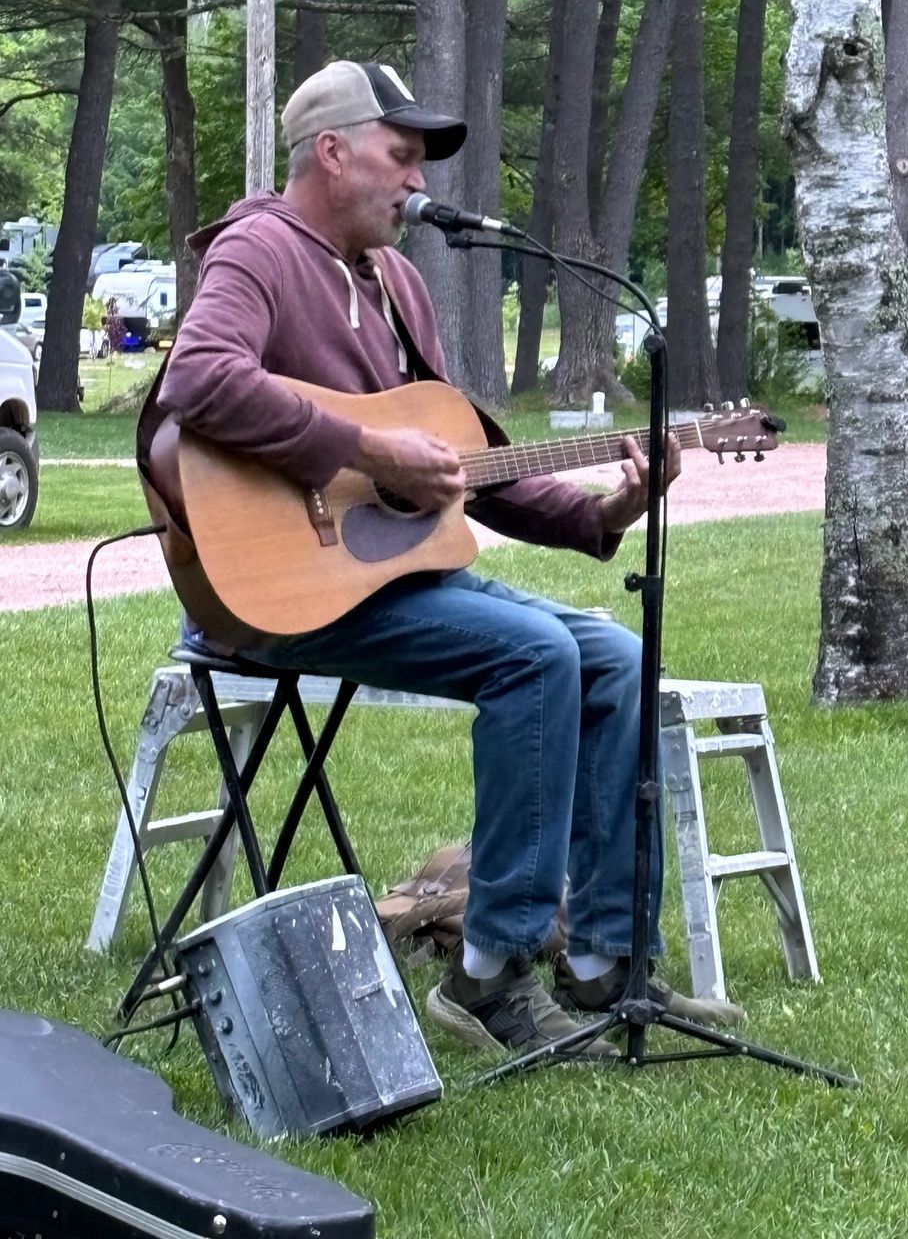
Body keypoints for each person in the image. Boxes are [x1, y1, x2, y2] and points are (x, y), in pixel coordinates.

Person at [147, 59, 741, 1055]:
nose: (418, 182)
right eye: (402, 156)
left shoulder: (399, 285)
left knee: (615, 655)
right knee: (535, 656)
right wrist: (365, 450)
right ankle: (488, 975)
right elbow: (199, 381)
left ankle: (607, 960)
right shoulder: (259, 248)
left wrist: (607, 511)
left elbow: (467, 464)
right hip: (277, 593)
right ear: (332, 154)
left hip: (395, 582)